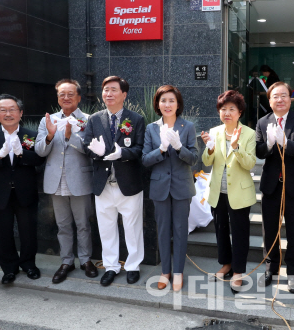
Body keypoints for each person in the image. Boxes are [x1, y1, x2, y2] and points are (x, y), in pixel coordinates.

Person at [0, 94, 45, 285]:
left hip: (25, 192)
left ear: (21, 113)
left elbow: (40, 160)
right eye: (3, 110)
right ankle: (9, 269)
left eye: (12, 109)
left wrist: (23, 154)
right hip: (0, 193)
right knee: (3, 233)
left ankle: (29, 265)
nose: (8, 113)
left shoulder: (32, 135)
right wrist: (0, 154)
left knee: (28, 231)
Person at [83, 76, 145, 286]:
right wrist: (96, 152)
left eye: (113, 90)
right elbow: (85, 145)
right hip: (103, 184)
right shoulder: (94, 119)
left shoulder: (136, 119)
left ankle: (133, 265)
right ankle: (110, 266)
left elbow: (139, 149)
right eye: (105, 90)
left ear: (124, 95)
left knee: (132, 228)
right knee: (106, 228)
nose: (108, 94)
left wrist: (123, 153)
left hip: (128, 183)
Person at [35, 79, 98, 283]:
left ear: (78, 97)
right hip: (56, 180)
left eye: (70, 94)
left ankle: (86, 260)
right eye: (62, 94)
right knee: (62, 225)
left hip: (80, 179)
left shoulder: (90, 120)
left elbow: (92, 150)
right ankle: (66, 261)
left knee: (83, 224)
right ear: (58, 98)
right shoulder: (48, 120)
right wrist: (50, 136)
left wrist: (72, 137)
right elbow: (40, 151)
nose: (66, 97)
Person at [254, 82, 294, 293]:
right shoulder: (262, 122)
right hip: (271, 185)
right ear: (269, 101)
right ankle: (271, 268)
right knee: (270, 230)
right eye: (275, 96)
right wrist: (269, 145)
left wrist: (285, 142)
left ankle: (293, 273)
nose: (280, 100)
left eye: (284, 96)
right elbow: (259, 152)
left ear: (290, 98)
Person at [142, 85, 199, 292]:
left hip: (182, 186)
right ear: (158, 104)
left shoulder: (188, 127)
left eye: (171, 100)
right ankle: (165, 271)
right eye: (163, 100)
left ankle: (178, 272)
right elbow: (145, 160)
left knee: (181, 230)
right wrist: (162, 149)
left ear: (178, 104)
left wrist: (178, 147)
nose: (167, 104)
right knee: (163, 229)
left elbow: (193, 158)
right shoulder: (151, 128)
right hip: (159, 187)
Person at [200, 90, 257, 295]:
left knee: (240, 233)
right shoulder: (214, 131)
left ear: (239, 112)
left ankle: (238, 272)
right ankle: (226, 265)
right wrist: (209, 148)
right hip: (217, 192)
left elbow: (250, 163)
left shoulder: (249, 133)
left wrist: (236, 147)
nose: (227, 113)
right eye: (223, 109)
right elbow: (207, 162)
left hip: (240, 194)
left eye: (231, 109)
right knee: (221, 230)